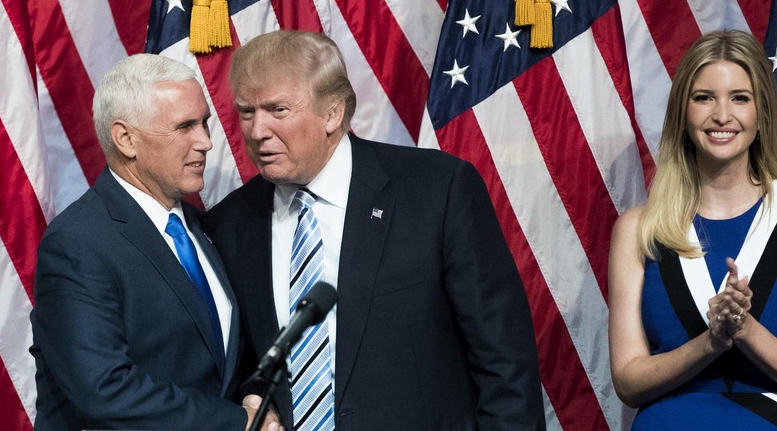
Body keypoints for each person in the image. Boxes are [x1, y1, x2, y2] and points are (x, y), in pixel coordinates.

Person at [204, 29, 546, 430]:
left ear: (332, 113)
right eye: (247, 112)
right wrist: (252, 396)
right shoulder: (229, 224)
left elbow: (505, 364)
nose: (257, 131)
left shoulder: (436, 190)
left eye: (277, 110)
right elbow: (238, 363)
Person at [607, 30, 777, 429]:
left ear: (761, 113)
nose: (721, 115)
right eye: (703, 98)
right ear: (683, 113)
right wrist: (710, 342)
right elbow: (628, 381)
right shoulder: (637, 229)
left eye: (740, 98)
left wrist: (745, 329)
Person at [30, 54, 279, 430]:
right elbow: (104, 390)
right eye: (185, 127)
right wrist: (235, 422)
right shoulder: (77, 244)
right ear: (126, 139)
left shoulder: (200, 226)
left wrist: (252, 394)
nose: (206, 142)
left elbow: (218, 359)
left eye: (205, 123)